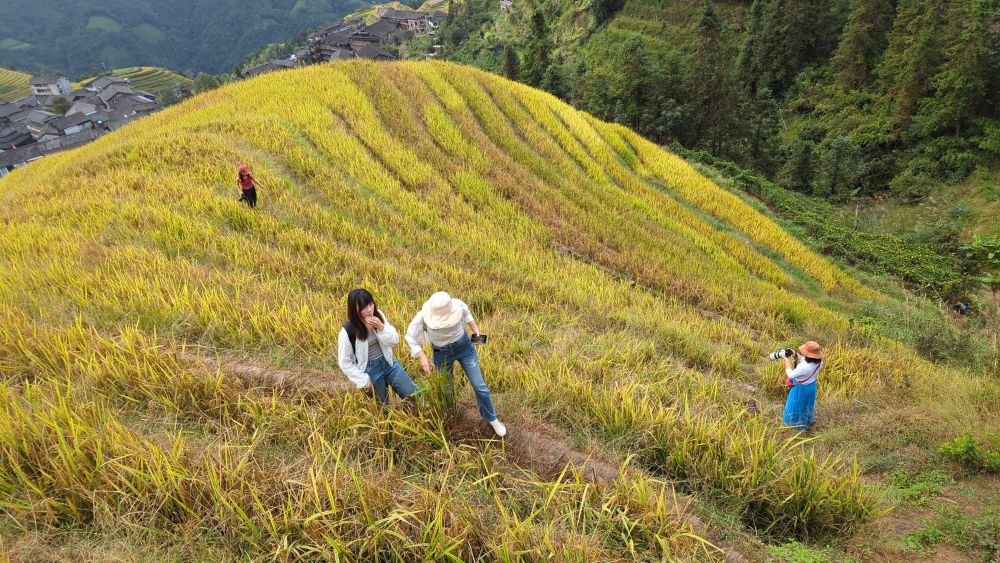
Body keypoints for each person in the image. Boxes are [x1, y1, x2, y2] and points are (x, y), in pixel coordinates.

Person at [405, 291, 506, 437]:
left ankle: (491, 418)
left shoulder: (457, 305)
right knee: (446, 388)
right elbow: (410, 336)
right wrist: (421, 355)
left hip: (464, 347)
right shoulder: (422, 316)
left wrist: (476, 330)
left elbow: (467, 314)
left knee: (480, 386)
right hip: (441, 353)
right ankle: (450, 412)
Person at [337, 288, 419, 405]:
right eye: (364, 308)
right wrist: (363, 381)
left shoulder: (378, 315)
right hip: (369, 371)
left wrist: (381, 327)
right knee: (383, 407)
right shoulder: (348, 331)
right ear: (354, 309)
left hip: (388, 362)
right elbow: (344, 362)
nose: (369, 309)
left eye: (370, 304)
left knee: (413, 394)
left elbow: (394, 341)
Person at [782, 341, 823, 431]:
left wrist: (786, 360)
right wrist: (795, 354)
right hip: (811, 385)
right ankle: (806, 421)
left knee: (795, 404)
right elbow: (807, 360)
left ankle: (793, 424)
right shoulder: (819, 362)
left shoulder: (804, 367)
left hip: (801, 388)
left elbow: (790, 375)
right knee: (807, 404)